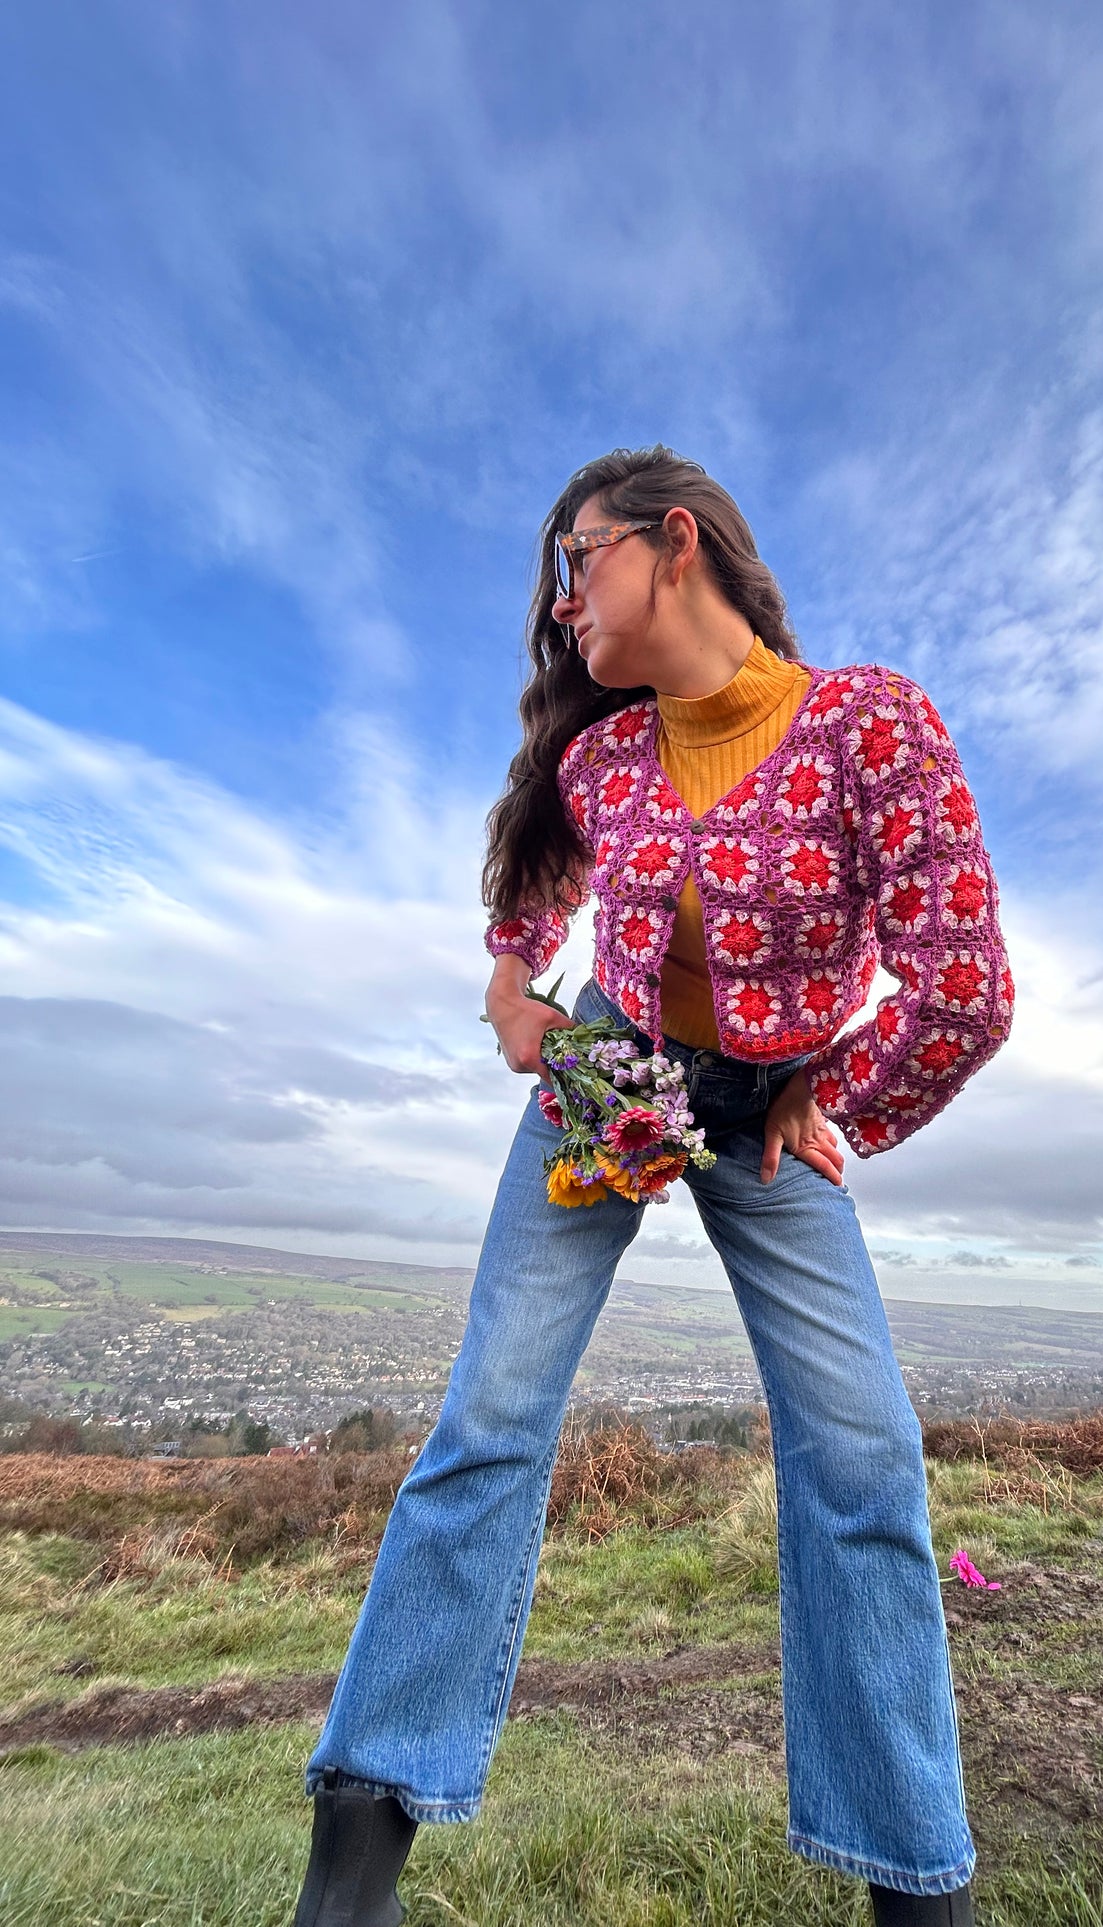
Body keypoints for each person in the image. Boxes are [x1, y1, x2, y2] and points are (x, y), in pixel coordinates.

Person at [291, 447, 1012, 1927]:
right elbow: (531, 890)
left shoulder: (868, 723)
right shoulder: (600, 760)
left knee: (865, 1464)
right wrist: (512, 1002)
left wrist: (839, 1102)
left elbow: (964, 988)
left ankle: (913, 1886)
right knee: (488, 1419)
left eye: (576, 562)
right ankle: (351, 1871)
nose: (559, 605)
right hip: (613, 1080)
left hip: (772, 1113)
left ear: (670, 544)